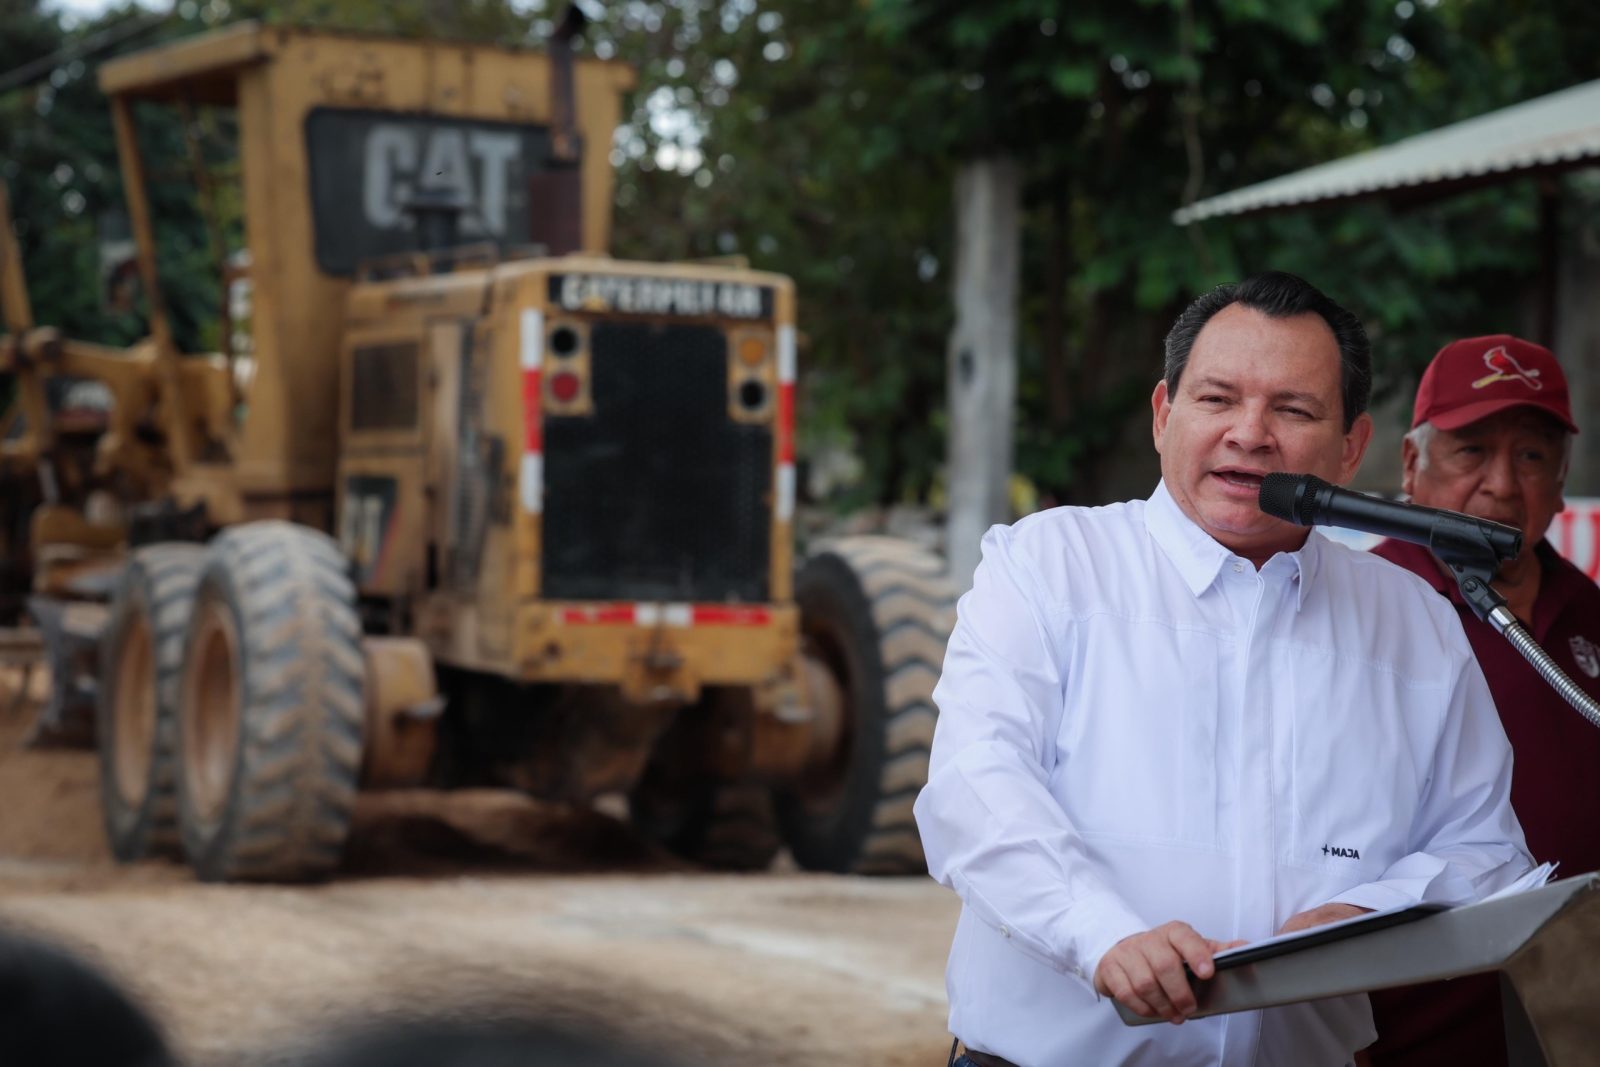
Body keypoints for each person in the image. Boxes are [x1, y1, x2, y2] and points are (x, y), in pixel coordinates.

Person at [913, 272, 1534, 1067]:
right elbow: (975, 785)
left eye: (1294, 409)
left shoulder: (1415, 622)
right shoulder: (1047, 566)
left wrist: (1361, 913)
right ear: (1164, 414)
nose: (1250, 432)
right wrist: (1102, 934)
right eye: (1217, 400)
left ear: (1350, 446)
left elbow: (1487, 846)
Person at [1364, 335, 1600, 1067]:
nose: (1502, 484)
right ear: (1413, 465)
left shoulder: (1586, 609)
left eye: (1531, 456)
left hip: (1576, 1009)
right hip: (1414, 1016)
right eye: (1471, 450)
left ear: (1561, 481)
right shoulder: (1363, 606)